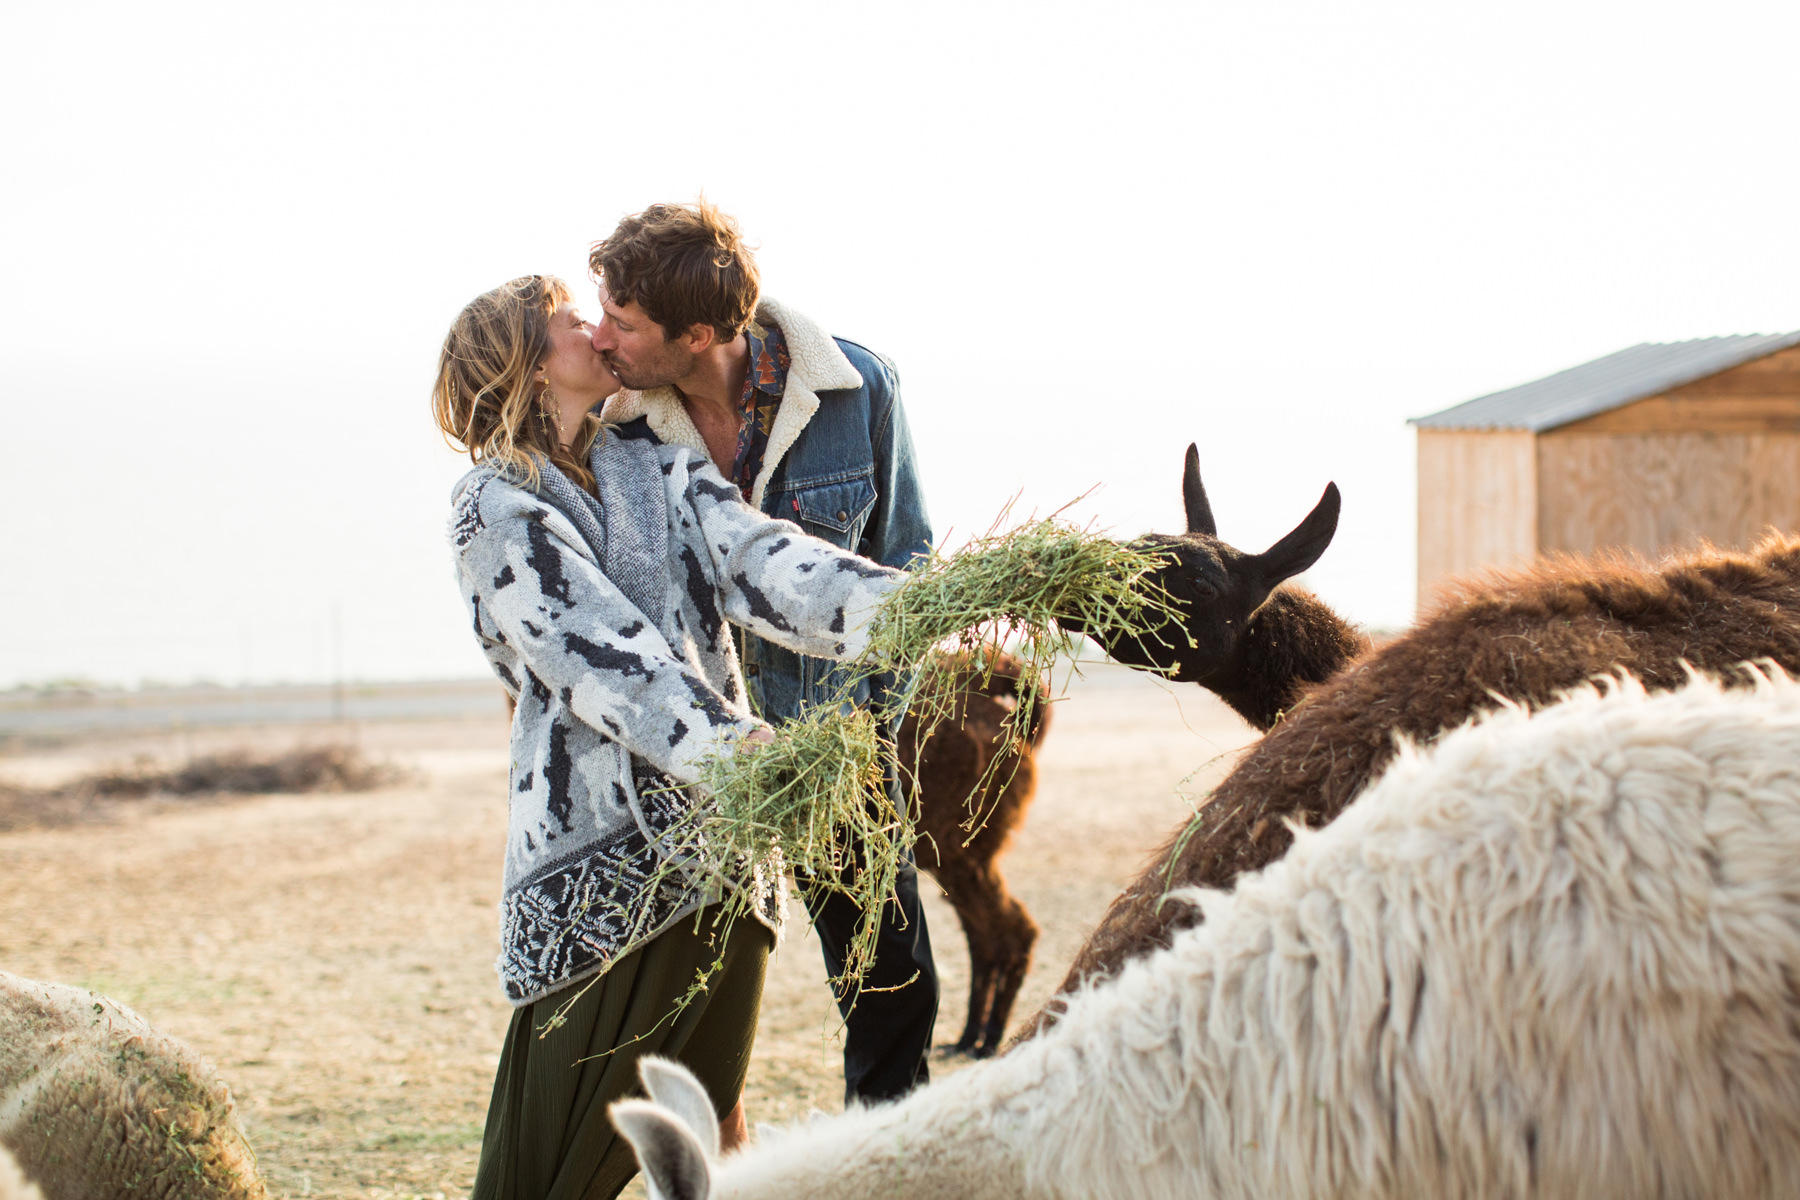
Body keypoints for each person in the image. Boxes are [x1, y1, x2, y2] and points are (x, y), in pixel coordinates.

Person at [431, 275, 906, 1200]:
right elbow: (596, 657)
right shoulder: (489, 508)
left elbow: (768, 562)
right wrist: (738, 751)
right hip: (593, 887)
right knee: (537, 1176)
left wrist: (912, 607)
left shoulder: (658, 463)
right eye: (573, 323)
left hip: (724, 863)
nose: (601, 334)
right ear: (529, 367)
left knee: (705, 1149)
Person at [590, 201, 939, 1103]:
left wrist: (863, 733)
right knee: (684, 999)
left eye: (622, 324)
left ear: (698, 333)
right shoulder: (618, 428)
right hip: (695, 762)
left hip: (834, 747)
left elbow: (907, 563)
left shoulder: (861, 388)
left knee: (889, 982)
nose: (601, 340)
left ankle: (887, 1162)